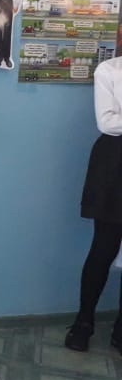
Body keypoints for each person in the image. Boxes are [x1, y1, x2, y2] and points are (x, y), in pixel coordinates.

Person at [65, 55, 122, 354]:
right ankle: (83, 323)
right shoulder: (109, 70)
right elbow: (107, 122)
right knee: (104, 246)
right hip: (115, 163)